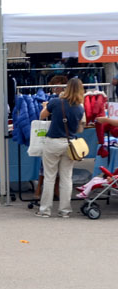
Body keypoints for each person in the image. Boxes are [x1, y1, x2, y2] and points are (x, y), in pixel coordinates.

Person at [36, 77, 86, 218]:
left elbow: (42, 116)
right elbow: (79, 128)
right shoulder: (80, 107)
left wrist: (46, 106)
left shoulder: (56, 102)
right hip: (69, 144)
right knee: (66, 177)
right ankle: (65, 211)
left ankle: (45, 210)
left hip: (53, 142)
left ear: (66, 87)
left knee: (49, 177)